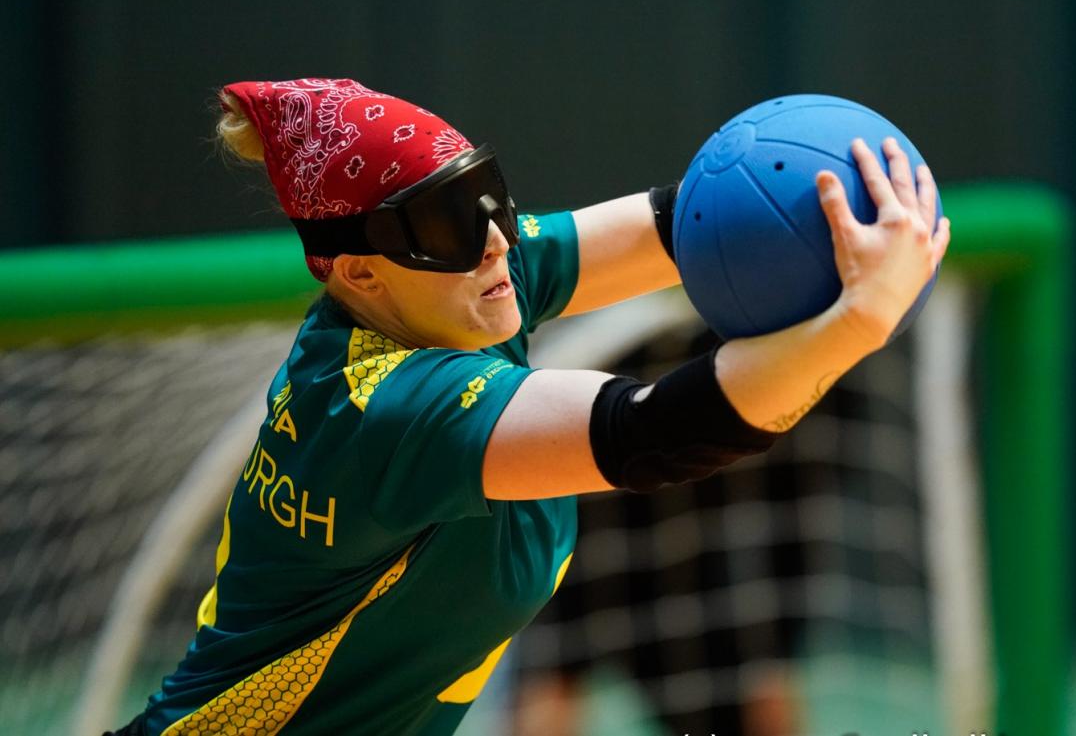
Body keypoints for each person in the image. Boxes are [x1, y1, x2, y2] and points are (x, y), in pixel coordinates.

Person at [107, 76, 948, 736]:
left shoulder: (462, 289)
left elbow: (684, 219)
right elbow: (653, 430)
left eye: (487, 194)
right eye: (445, 223)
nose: (498, 240)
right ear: (359, 272)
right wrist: (861, 320)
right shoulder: (388, 407)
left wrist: (806, 187)